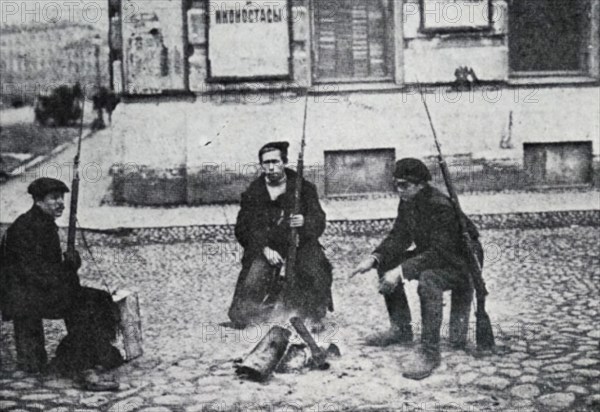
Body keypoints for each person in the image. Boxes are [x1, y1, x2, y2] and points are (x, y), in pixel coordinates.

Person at [351, 158, 483, 380]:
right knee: (387, 262)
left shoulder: (440, 206)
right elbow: (399, 236)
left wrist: (401, 271)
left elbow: (441, 253)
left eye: (404, 185)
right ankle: (401, 329)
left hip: (461, 262)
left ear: (420, 184)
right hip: (436, 254)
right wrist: (374, 258)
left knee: (429, 280)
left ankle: (430, 352)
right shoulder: (408, 201)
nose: (398, 190)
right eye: (396, 184)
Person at [0, 178, 123, 390]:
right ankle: (82, 367)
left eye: (62, 198)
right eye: (54, 198)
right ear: (38, 200)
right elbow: (33, 273)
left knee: (99, 297)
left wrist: (69, 266)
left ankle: (95, 351)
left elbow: (49, 271)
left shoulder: (42, 223)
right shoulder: (26, 228)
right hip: (25, 297)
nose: (61, 203)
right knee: (83, 304)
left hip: (37, 290)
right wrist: (68, 269)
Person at [228, 141, 333, 331]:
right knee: (244, 310)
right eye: (266, 163)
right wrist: (263, 248)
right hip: (268, 248)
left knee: (314, 269)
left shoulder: (304, 188)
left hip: (300, 244)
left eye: (275, 162)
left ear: (284, 162)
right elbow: (242, 228)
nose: (271, 167)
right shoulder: (253, 192)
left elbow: (319, 219)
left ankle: (314, 313)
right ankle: (269, 305)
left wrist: (305, 222)